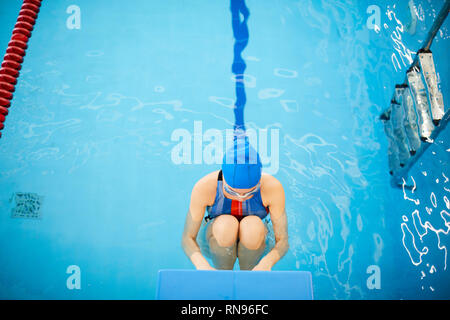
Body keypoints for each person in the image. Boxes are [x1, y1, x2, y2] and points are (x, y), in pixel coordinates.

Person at [181, 137, 289, 271]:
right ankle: (222, 273)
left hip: (256, 241)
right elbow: (188, 238)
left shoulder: (272, 188)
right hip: (216, 240)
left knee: (253, 226)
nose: (241, 199)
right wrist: (201, 265)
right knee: (226, 225)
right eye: (232, 192)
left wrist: (266, 263)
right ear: (223, 179)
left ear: (259, 181)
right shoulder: (205, 187)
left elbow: (283, 240)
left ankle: (249, 274)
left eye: (250, 192)